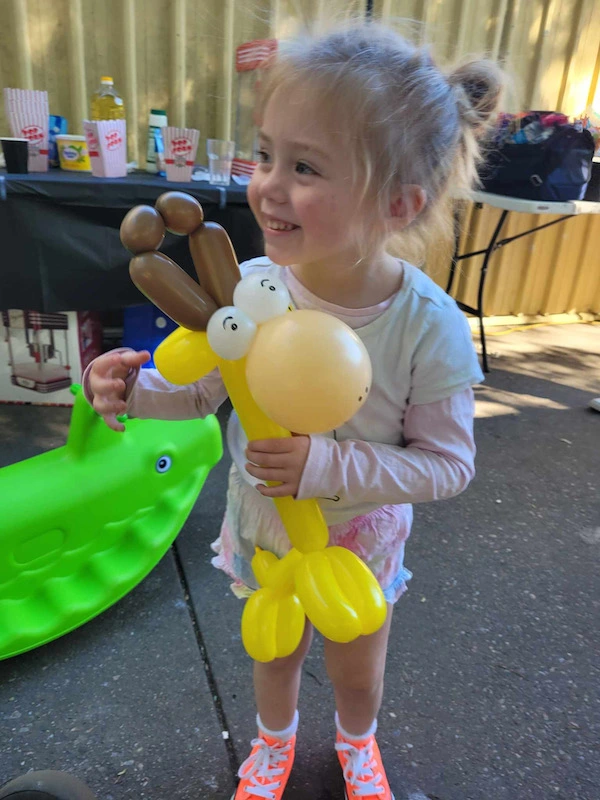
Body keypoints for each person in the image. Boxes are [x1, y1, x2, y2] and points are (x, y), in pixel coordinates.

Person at [84, 21, 504, 800]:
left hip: (359, 540)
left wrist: (325, 464)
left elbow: (448, 464)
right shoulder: (246, 289)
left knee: (355, 660)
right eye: (267, 152)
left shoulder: (428, 324)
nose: (269, 184)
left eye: (305, 166)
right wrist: (128, 389)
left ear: (400, 202)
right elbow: (204, 390)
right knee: (270, 649)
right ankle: (273, 746)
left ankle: (357, 744)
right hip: (265, 528)